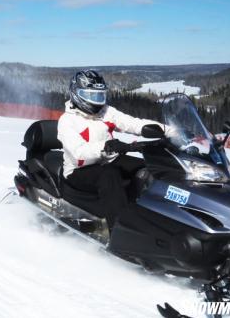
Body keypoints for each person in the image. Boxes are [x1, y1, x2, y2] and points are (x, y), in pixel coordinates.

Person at [57, 69, 165, 228]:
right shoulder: (67, 121)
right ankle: (119, 231)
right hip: (78, 170)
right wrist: (106, 146)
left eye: (100, 96)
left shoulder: (106, 112)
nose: (97, 101)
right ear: (77, 94)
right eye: (91, 96)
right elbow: (78, 154)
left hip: (109, 159)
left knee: (147, 168)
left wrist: (170, 131)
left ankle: (153, 218)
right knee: (110, 175)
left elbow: (133, 123)